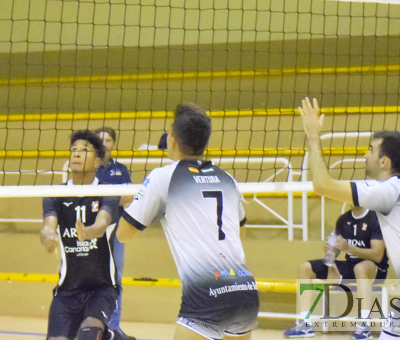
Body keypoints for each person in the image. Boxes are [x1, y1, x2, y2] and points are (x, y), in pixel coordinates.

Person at [117, 104, 258, 340]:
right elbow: (239, 234)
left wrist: (128, 203)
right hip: (244, 290)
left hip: (206, 296)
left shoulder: (163, 177)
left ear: (172, 141)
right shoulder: (227, 178)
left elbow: (123, 233)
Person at [299, 97, 400, 340]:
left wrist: (313, 137)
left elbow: (321, 185)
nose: (365, 155)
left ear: (384, 162)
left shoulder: (388, 190)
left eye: (370, 150)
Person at [40, 130, 121, 340]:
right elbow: (48, 225)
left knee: (87, 335)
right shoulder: (55, 194)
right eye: (73, 150)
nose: (76, 154)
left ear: (97, 162)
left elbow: (102, 223)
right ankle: (112, 337)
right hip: (67, 290)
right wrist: (47, 236)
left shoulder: (108, 192)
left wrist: (89, 232)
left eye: (84, 150)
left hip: (101, 288)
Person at [283, 205, 387, 339]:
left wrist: (349, 248)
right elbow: (337, 251)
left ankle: (365, 325)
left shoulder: (375, 218)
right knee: (305, 268)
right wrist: (330, 250)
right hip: (350, 266)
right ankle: (305, 323)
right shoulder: (343, 220)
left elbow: (377, 255)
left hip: (375, 268)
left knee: (360, 268)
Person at [94, 127, 135, 340]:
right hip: (92, 232)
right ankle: (90, 327)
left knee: (116, 279)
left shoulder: (121, 169)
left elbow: (129, 198)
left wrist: (104, 198)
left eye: (108, 140)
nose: (104, 143)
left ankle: (114, 328)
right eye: (99, 139)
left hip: (116, 231)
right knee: (89, 278)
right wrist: (113, 198)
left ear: (113, 144)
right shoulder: (87, 169)